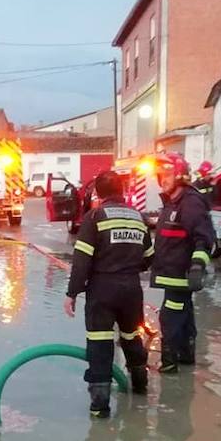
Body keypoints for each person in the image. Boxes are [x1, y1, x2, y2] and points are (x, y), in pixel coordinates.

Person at [64, 170, 153, 418]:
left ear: (97, 193)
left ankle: (99, 407)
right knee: (131, 336)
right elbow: (149, 258)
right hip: (132, 290)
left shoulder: (94, 217)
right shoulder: (138, 218)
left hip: (102, 290)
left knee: (100, 344)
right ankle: (140, 385)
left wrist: (71, 293)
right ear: (122, 191)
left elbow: (82, 261)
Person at [150, 152, 217, 373]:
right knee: (185, 316)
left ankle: (169, 363)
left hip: (180, 276)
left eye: (167, 174)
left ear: (179, 175)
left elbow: (205, 239)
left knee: (169, 318)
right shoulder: (173, 203)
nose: (163, 179)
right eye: (160, 175)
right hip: (172, 275)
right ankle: (186, 356)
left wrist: (197, 267)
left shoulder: (190, 202)